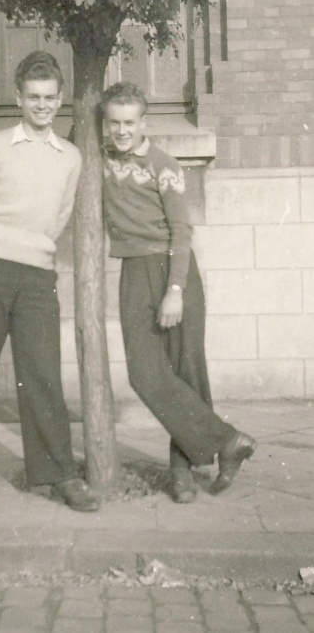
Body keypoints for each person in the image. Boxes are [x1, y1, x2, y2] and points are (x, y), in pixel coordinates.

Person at [0, 50, 100, 513]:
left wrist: (30, 249)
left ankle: (58, 474)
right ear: (19, 98)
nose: (42, 106)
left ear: (60, 100)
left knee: (42, 373)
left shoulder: (70, 157)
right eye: (33, 97)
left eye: (50, 98)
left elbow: (58, 217)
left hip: (36, 273)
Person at [100, 81, 256, 503]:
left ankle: (182, 473)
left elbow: (181, 232)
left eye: (129, 122)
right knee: (144, 373)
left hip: (175, 273)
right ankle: (228, 441)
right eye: (114, 123)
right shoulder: (102, 162)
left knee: (187, 373)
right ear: (105, 124)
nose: (121, 130)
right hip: (134, 273)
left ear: (143, 122)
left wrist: (175, 291)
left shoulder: (164, 165)